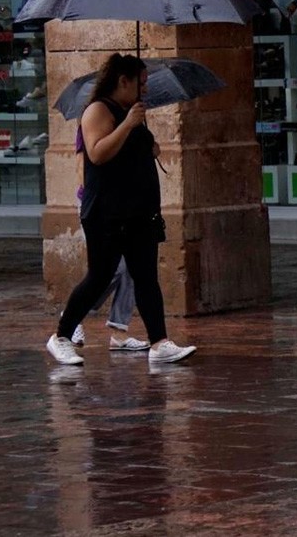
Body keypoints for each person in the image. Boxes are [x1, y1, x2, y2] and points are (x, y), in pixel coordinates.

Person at [45, 53, 196, 366]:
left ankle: (160, 342)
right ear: (122, 81)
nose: (145, 89)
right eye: (141, 83)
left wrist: (149, 144)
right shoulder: (97, 110)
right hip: (106, 212)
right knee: (99, 276)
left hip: (138, 210)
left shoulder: (133, 112)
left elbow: (133, 151)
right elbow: (97, 153)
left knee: (146, 276)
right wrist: (127, 125)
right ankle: (61, 336)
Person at [63, 126, 149, 352]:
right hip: (99, 206)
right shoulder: (92, 123)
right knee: (111, 269)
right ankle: (73, 314)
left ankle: (119, 332)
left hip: (124, 204)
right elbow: (82, 167)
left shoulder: (128, 123)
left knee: (132, 266)